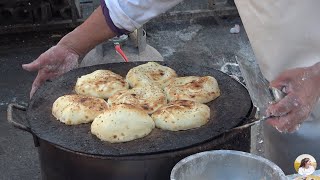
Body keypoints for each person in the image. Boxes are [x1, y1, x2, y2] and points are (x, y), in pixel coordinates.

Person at [22, 0, 320, 174]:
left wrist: (316, 77)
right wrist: (72, 45)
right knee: (298, 170)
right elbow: (136, 2)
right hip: (291, 101)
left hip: (311, 84)